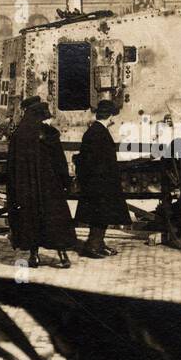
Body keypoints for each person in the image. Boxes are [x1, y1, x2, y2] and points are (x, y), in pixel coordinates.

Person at [7, 97, 76, 268]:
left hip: (26, 187)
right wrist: (65, 182)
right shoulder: (49, 134)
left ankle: (34, 256)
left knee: (32, 219)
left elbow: (12, 164)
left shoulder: (19, 134)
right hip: (49, 186)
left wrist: (15, 186)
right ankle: (63, 256)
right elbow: (60, 161)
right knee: (55, 219)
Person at [75, 99, 129, 258]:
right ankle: (92, 246)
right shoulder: (99, 133)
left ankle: (99, 243)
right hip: (100, 183)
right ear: (109, 116)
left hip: (98, 181)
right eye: (113, 116)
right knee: (100, 214)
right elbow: (96, 161)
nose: (113, 119)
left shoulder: (94, 131)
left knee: (102, 214)